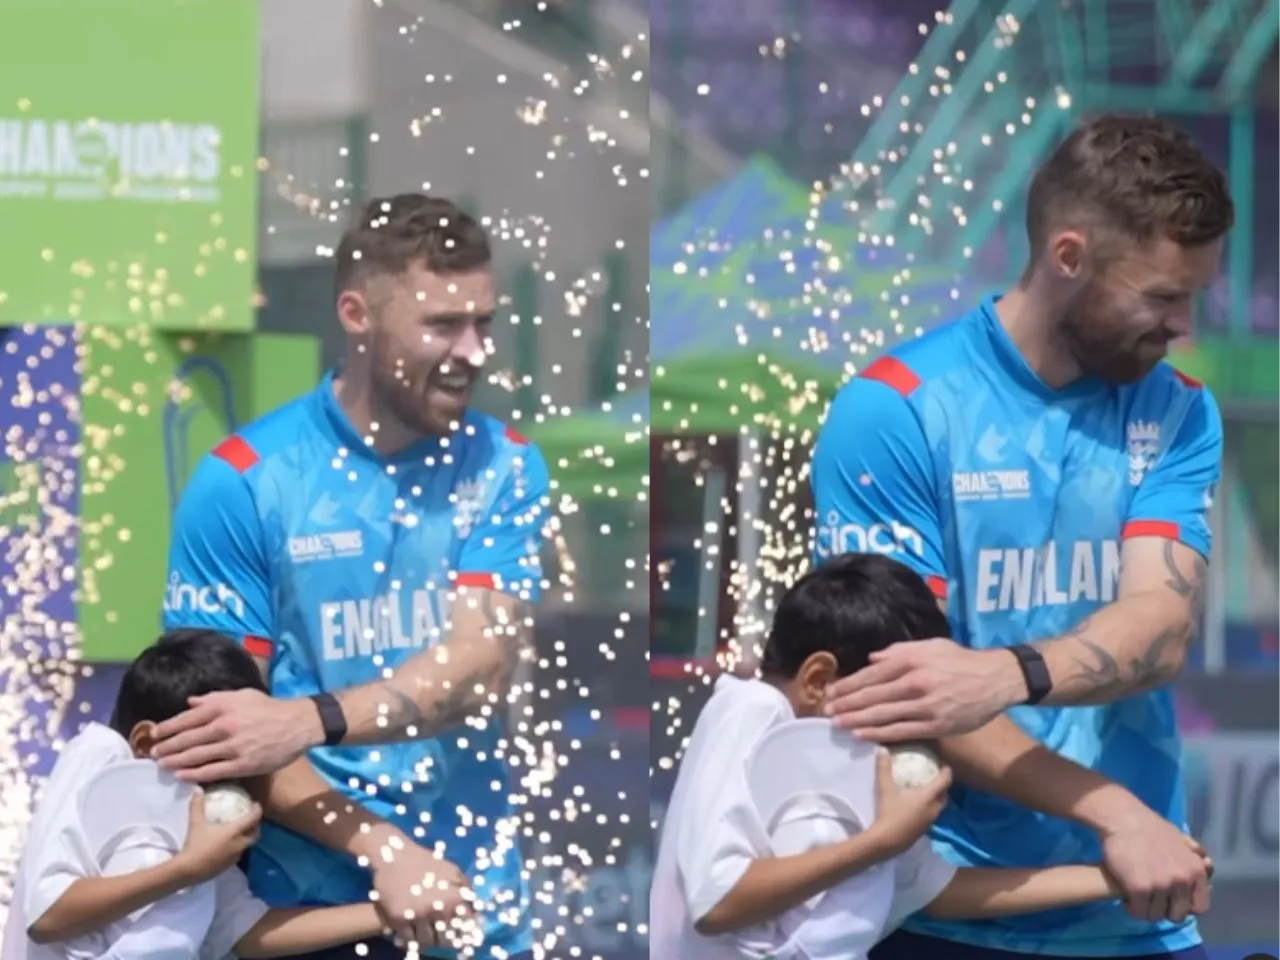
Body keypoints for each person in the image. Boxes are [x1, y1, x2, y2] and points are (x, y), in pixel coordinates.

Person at [813, 113, 1232, 960]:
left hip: (1139, 906)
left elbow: (1159, 629)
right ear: (1068, 256)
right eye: (1160, 296)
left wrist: (1004, 673)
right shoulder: (894, 409)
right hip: (944, 913)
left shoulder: (1176, 410)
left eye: (1193, 296)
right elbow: (908, 692)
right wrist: (1115, 812)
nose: (1181, 324)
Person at [148, 194, 549, 960]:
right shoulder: (245, 481)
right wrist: (381, 847)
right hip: (304, 913)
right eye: (443, 324)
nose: (474, 351)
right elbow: (226, 736)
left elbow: (480, 665)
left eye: (484, 322)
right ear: (357, 315)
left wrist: (311, 717)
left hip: (471, 910)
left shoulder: (504, 463)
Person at [649, 555, 1210, 960]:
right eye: (901, 699)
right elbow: (717, 901)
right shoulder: (750, 709)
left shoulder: (858, 771)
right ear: (819, 679)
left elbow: (935, 892)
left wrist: (1116, 878)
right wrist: (879, 842)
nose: (920, 722)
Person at [0, 630, 398, 960]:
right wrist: (187, 869)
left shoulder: (196, 824)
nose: (238, 776)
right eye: (219, 753)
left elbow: (246, 932)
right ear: (146, 742)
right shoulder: (99, 754)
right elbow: (47, 915)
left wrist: (388, 913)